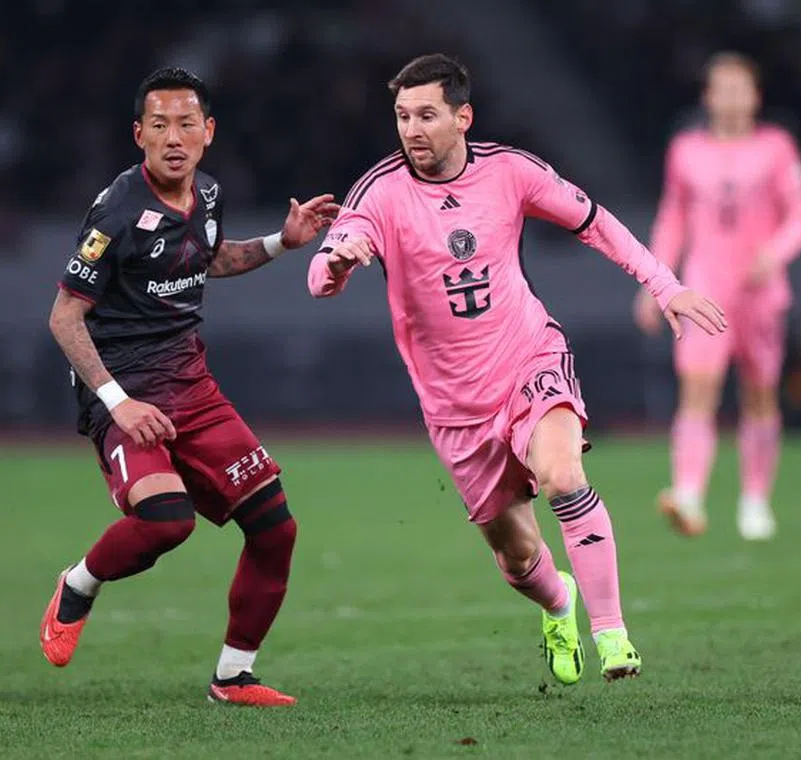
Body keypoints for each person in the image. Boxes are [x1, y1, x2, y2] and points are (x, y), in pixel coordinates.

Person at [308, 54, 725, 684]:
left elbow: (595, 223)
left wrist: (664, 286)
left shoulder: (510, 170)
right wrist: (337, 264)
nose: (411, 129)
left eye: (426, 115)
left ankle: (613, 635)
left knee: (562, 475)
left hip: (527, 357)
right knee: (516, 554)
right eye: (401, 117)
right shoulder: (382, 192)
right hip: (453, 406)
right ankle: (560, 602)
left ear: (462, 117)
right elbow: (322, 273)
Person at [39, 67, 339, 707]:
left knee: (275, 530)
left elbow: (208, 256)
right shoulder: (115, 213)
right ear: (138, 135)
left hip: (191, 385)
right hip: (121, 391)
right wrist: (118, 405)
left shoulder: (206, 195)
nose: (172, 137)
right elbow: (64, 317)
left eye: (185, 124)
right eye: (158, 125)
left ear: (207, 132)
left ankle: (233, 677)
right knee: (166, 521)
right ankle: (79, 584)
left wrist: (281, 243)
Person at [635, 52, 801, 541]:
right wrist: (655, 281)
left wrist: (774, 253)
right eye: (722, 87)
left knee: (759, 395)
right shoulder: (686, 150)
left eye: (741, 87)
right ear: (708, 97)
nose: (732, 96)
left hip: (759, 290)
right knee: (698, 389)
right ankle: (688, 493)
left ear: (756, 96)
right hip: (704, 288)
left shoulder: (777, 148)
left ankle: (755, 501)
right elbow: (672, 218)